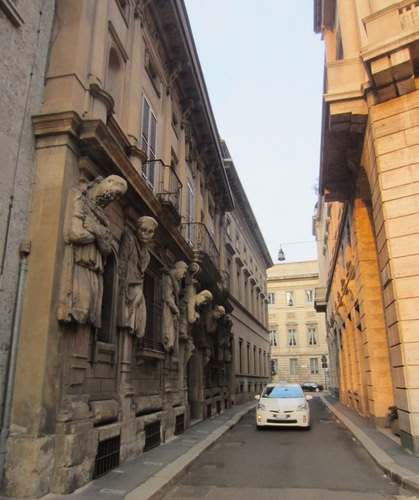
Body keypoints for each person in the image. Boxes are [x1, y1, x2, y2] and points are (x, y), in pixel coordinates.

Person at [58, 175, 127, 328]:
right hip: (79, 264)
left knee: (90, 315)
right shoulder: (79, 197)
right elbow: (75, 234)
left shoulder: (105, 219)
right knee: (81, 310)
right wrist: (100, 234)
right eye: (116, 192)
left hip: (96, 271)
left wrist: (96, 231)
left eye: (118, 196)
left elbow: (106, 249)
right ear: (107, 182)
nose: (113, 198)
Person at [117, 216, 158, 338]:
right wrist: (121, 284)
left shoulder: (147, 255)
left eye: (150, 232)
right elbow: (122, 263)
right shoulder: (129, 239)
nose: (145, 234)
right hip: (127, 287)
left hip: (137, 287)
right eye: (143, 230)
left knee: (138, 321)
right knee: (127, 320)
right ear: (137, 228)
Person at [162, 261, 188, 352]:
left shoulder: (175, 281)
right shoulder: (168, 277)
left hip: (172, 311)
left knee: (172, 337)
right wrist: (176, 309)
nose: (184, 275)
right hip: (167, 310)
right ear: (179, 268)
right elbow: (167, 297)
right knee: (169, 337)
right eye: (184, 272)